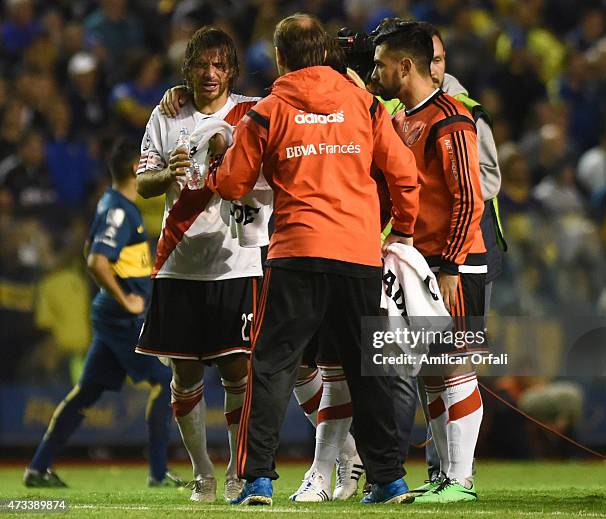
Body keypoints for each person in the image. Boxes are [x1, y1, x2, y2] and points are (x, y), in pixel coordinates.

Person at [207, 13, 421, 506]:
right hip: (357, 255)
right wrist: (403, 231)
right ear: (325, 52)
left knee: (273, 368)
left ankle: (258, 480)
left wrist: (215, 167)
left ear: (280, 57)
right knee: (366, 370)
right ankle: (388, 480)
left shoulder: (269, 109)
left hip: (297, 254)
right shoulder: (364, 104)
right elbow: (402, 172)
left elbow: (236, 183)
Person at [135, 26, 262, 503]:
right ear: (186, 68)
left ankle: (235, 472)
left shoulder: (252, 112)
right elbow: (145, 182)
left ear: (230, 69)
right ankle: (203, 475)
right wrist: (170, 169)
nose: (210, 74)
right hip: (178, 262)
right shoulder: (167, 113)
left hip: (237, 261)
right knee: (184, 376)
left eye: (219, 65)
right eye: (201, 65)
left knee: (237, 372)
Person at [370, 20, 486, 503]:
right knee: (433, 373)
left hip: (453, 263)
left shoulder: (450, 118)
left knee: (456, 368)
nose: (374, 72)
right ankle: (445, 477)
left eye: (380, 64)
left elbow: (469, 199)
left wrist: (451, 265)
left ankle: (460, 480)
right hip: (423, 264)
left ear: (405, 65)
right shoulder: (403, 117)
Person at [23, 138, 180, 489]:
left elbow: (87, 249)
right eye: (144, 163)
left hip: (112, 319)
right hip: (120, 319)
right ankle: (157, 473)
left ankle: (38, 468)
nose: (148, 168)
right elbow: (96, 260)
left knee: (86, 392)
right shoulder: (120, 209)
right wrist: (127, 300)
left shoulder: (113, 204)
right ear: (132, 169)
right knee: (163, 382)